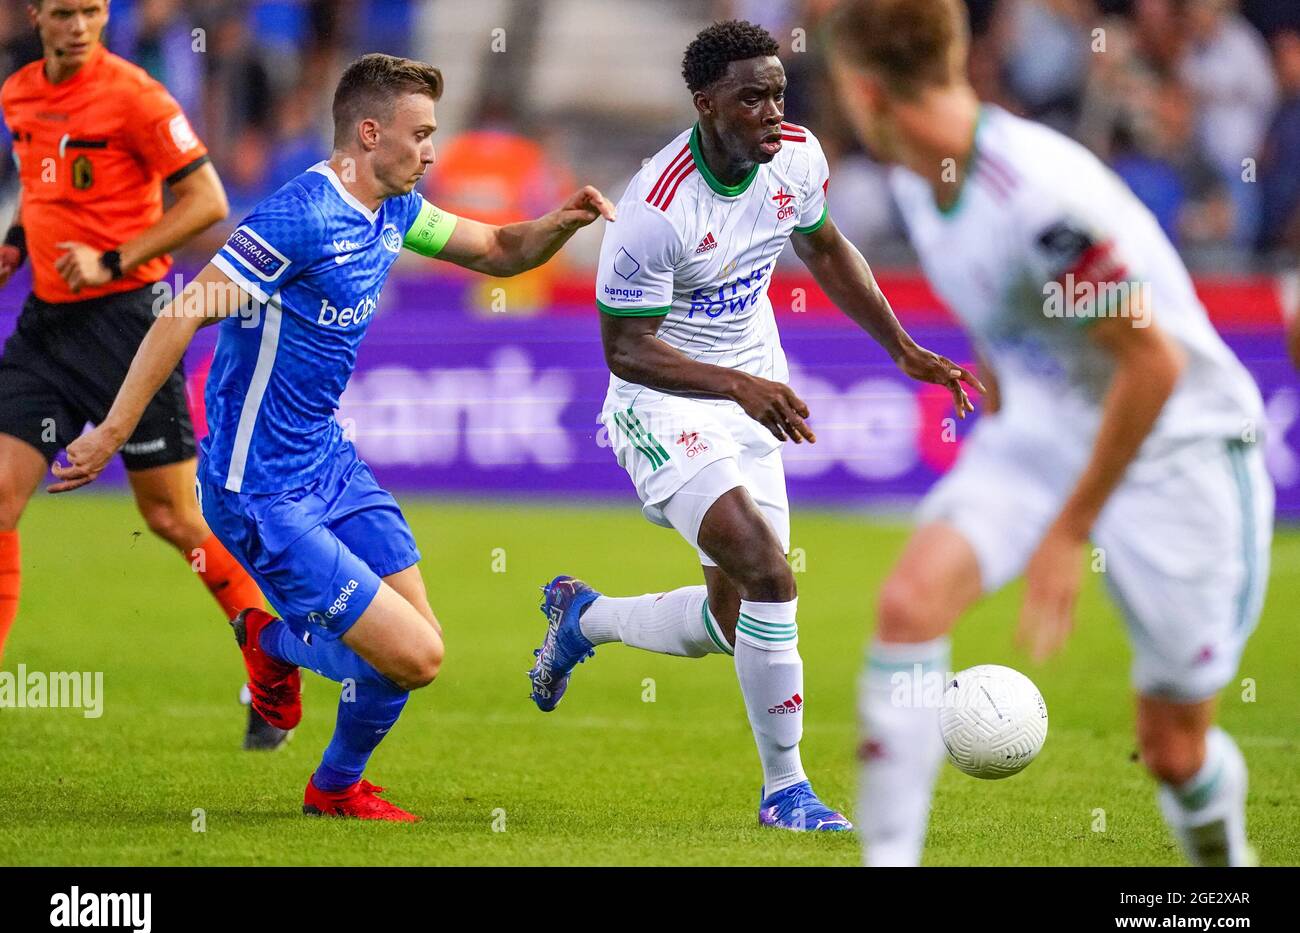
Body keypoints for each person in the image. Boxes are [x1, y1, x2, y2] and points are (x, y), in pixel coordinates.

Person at [50, 53, 614, 821]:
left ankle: (334, 787)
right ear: (370, 132)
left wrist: (560, 223)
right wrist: (114, 429)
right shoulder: (300, 217)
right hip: (260, 490)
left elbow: (499, 251)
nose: (431, 151)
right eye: (420, 135)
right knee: (416, 656)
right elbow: (183, 311)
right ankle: (272, 644)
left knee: (414, 648)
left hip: (329, 463)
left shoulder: (395, 207)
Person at [829, 0, 1272, 865]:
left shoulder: (1038, 199)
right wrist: (1001, 406)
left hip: (1171, 449)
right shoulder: (922, 181)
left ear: (867, 91)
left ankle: (1225, 884)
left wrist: (1069, 528)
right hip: (1041, 430)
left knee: (1176, 751)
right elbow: (1005, 309)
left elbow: (1151, 365)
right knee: (909, 606)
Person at [528, 20, 980, 833]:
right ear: (706, 104)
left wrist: (905, 350)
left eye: (778, 91)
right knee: (772, 575)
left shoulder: (797, 157)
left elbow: (829, 249)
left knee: (732, 622)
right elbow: (627, 351)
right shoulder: (654, 210)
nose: (774, 111)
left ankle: (583, 618)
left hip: (749, 394)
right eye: (752, 98)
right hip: (664, 406)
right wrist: (739, 385)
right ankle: (788, 792)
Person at [0, 0, 278, 747]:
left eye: (93, 9)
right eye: (64, 12)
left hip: (131, 324)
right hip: (49, 324)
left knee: (172, 519)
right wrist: (18, 241)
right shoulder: (18, 91)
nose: (81, 24)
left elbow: (207, 201)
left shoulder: (137, 97)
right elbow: (43, 178)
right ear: (37, 14)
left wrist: (112, 260)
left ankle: (268, 663)